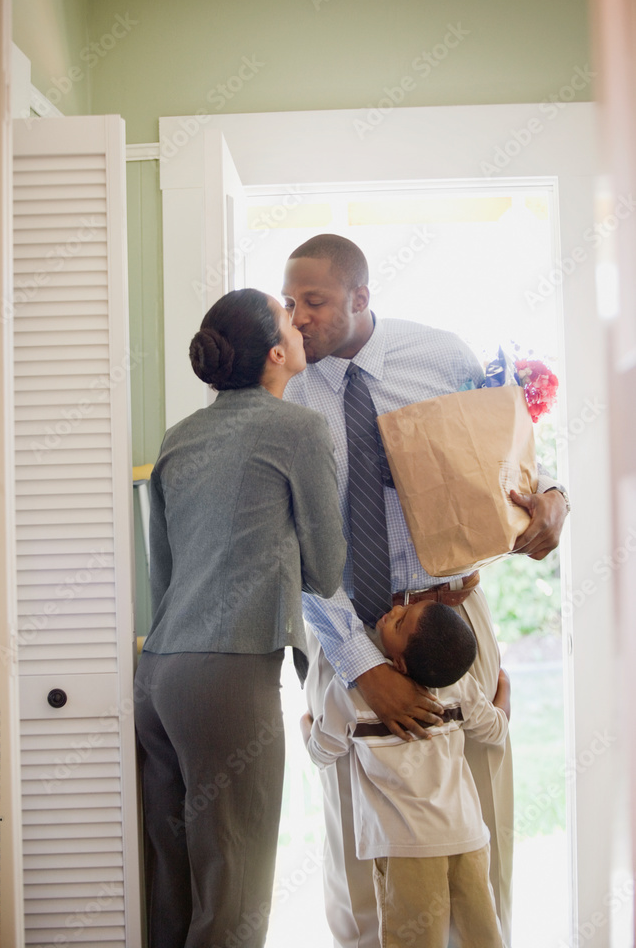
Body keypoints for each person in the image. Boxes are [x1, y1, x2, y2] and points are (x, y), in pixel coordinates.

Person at [282, 234, 570, 948]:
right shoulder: (282, 386)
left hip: (447, 619)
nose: (297, 318)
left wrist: (554, 498)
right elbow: (291, 546)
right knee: (356, 837)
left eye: (312, 302)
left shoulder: (440, 355)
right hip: (340, 621)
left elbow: (505, 463)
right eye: (288, 303)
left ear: (359, 298)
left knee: (480, 805)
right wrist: (363, 667)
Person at [134, 288, 346, 948]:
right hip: (228, 677)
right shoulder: (296, 430)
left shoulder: (180, 436)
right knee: (236, 883)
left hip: (159, 674)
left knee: (173, 879)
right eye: (289, 316)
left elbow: (162, 576)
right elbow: (326, 570)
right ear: (277, 353)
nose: (300, 319)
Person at [301, 599, 511, 948]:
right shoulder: (459, 688)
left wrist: (305, 725)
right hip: (468, 840)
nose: (395, 609)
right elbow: (495, 730)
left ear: (399, 662)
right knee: (482, 938)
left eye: (399, 623)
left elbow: (323, 752)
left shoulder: (353, 692)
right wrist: (505, 690)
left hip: (404, 851)